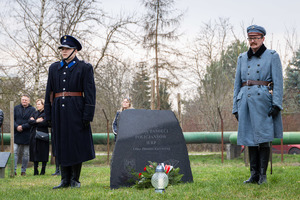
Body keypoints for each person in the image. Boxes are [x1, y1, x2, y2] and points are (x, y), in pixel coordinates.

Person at [232, 25, 283, 185]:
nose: (252, 41)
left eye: (256, 38)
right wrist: (235, 106)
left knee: (263, 138)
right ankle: (253, 175)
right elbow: (236, 84)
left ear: (263, 39)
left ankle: (263, 175)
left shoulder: (272, 56)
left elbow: (279, 83)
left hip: (263, 102)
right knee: (249, 138)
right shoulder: (242, 58)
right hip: (245, 101)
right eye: (250, 38)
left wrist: (277, 104)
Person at [45, 35, 96, 189]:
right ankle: (64, 180)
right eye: (62, 48)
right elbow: (49, 92)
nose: (64, 51)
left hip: (76, 110)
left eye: (67, 48)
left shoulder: (84, 67)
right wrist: (48, 114)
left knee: (75, 144)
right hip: (58, 112)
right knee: (61, 144)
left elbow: (90, 92)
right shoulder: (54, 68)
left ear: (75, 50)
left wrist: (88, 114)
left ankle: (75, 180)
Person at [14, 95, 36, 176]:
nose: (24, 101)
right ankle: (14, 170)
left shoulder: (33, 109)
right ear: (21, 100)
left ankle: (23, 171)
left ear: (29, 101)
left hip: (27, 134)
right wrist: (17, 127)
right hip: (16, 133)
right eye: (23, 100)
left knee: (26, 154)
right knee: (14, 152)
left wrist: (22, 127)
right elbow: (13, 119)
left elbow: (32, 122)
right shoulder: (16, 108)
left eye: (26, 100)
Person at [29, 99, 49, 175]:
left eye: (39, 104)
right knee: (34, 152)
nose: (37, 105)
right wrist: (37, 121)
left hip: (43, 135)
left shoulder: (46, 113)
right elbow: (29, 122)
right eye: (37, 104)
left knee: (43, 152)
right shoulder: (34, 113)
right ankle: (35, 170)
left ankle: (43, 169)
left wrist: (34, 121)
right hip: (34, 135)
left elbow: (45, 123)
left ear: (43, 105)